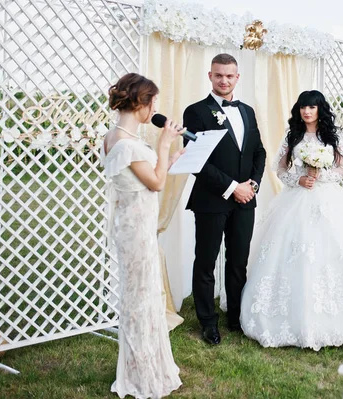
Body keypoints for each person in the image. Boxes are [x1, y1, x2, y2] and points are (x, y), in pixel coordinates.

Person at [239, 90, 343, 351]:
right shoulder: (293, 135)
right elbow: (281, 169)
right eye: (303, 107)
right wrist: (299, 179)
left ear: (320, 109)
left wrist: (321, 177)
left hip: (329, 197)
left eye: (312, 107)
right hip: (296, 198)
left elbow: (342, 167)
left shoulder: (333, 135)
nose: (307, 112)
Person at [101, 73, 183, 398]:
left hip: (133, 227)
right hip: (136, 234)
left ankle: (143, 365)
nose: (154, 109)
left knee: (141, 298)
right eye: (153, 102)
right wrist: (164, 144)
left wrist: (170, 157)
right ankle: (140, 372)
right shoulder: (126, 143)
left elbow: (146, 177)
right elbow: (157, 183)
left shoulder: (115, 138)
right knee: (140, 300)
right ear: (141, 102)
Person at [182, 53, 266, 345]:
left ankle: (236, 317)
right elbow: (197, 161)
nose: (224, 80)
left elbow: (259, 152)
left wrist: (252, 184)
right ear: (210, 76)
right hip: (211, 199)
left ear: (237, 77)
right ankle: (208, 322)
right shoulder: (195, 112)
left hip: (246, 200)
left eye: (229, 76)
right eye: (219, 75)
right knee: (205, 261)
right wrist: (232, 187)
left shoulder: (247, 111)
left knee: (238, 261)